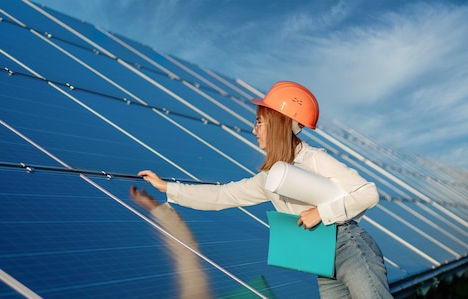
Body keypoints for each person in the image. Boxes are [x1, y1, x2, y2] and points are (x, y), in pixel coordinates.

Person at [137, 81, 392, 299]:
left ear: (279, 124)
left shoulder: (314, 159)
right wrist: (167, 187)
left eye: (259, 122)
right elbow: (223, 195)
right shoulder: (269, 178)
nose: (253, 130)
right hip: (322, 259)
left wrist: (322, 213)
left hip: (349, 247)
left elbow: (368, 193)